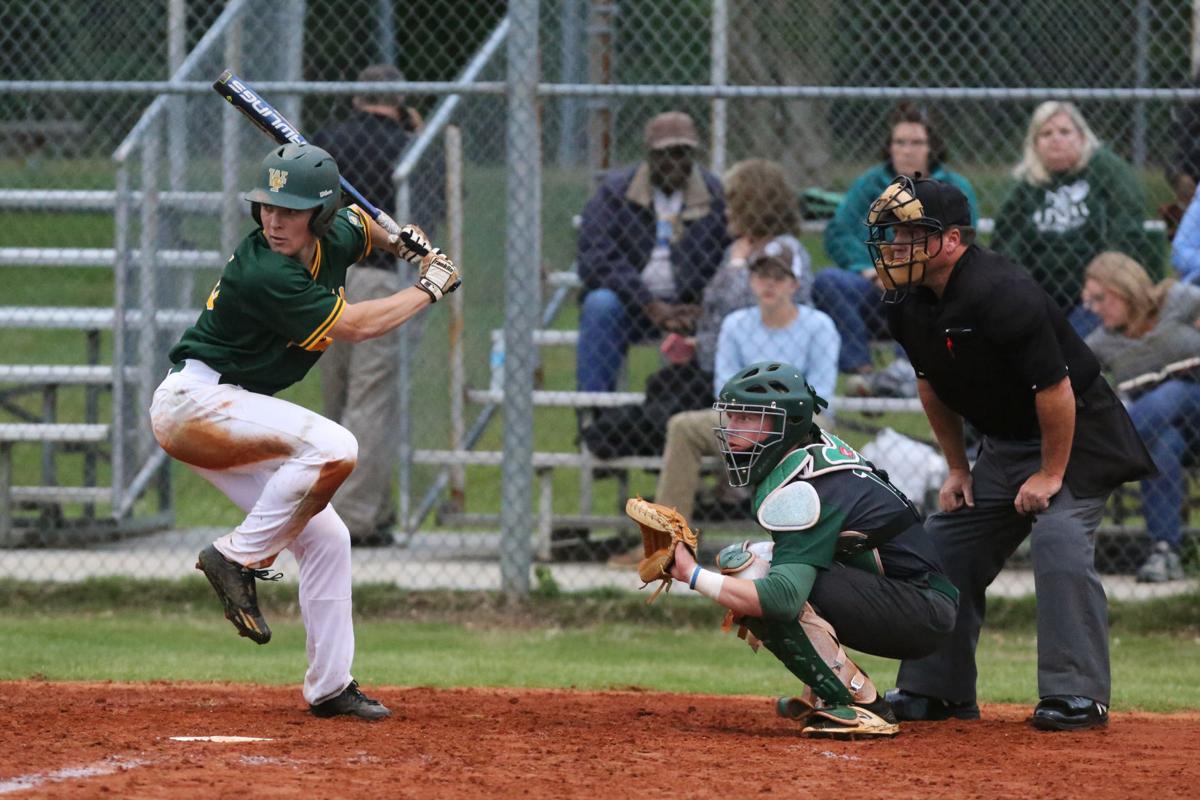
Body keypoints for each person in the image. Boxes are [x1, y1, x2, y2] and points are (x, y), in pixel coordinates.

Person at [149, 142, 460, 719]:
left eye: (290, 210)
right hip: (194, 403)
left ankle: (331, 687)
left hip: (231, 406)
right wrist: (427, 287)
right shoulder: (265, 270)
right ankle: (234, 556)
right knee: (335, 446)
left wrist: (399, 241)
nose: (274, 221)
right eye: (267, 207)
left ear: (319, 215)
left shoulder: (333, 233)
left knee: (327, 539)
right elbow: (357, 326)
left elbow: (361, 223)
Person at [867, 175, 1155, 731]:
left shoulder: (1001, 291)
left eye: (910, 233)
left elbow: (1056, 388)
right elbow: (930, 383)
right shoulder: (905, 301)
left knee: (1058, 538)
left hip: (1077, 438)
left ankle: (1076, 695)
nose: (896, 246)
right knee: (945, 545)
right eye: (892, 234)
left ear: (952, 240)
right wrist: (958, 467)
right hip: (1004, 445)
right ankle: (937, 690)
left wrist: (1050, 473)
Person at [662, 361, 958, 739]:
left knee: (756, 571)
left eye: (747, 417)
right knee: (760, 563)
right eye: (731, 415)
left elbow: (782, 599)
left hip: (921, 609)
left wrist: (691, 574)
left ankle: (862, 703)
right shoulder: (808, 451)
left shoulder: (803, 488)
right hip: (914, 597)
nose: (731, 428)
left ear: (785, 423)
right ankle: (828, 690)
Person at [581, 158, 810, 460]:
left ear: (753, 206)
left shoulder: (784, 252)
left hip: (754, 378)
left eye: (732, 204)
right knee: (662, 386)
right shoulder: (738, 249)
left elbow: (744, 310)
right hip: (714, 366)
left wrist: (736, 267)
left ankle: (611, 439)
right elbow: (719, 312)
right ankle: (610, 437)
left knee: (664, 411)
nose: (725, 212)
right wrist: (696, 344)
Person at [311, 64, 441, 546]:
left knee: (338, 398)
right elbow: (441, 203)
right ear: (400, 104)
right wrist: (421, 136)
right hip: (384, 280)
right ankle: (352, 521)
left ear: (356, 99)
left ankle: (365, 509)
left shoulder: (328, 142)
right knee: (370, 402)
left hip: (325, 279)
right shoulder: (410, 148)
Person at [650, 249, 838, 523]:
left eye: (779, 277)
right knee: (683, 427)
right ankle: (669, 537)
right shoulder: (735, 324)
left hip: (797, 421)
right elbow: (725, 388)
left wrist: (769, 410)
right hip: (742, 418)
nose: (769, 284)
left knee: (815, 430)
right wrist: (761, 409)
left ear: (795, 284)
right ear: (751, 281)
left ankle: (803, 535)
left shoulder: (819, 326)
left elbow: (819, 394)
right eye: (762, 276)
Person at [814, 102, 978, 388]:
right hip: (874, 288)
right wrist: (872, 270)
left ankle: (907, 371)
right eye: (900, 142)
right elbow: (839, 233)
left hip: (928, 292)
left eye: (916, 143)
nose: (907, 150)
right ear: (889, 147)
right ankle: (862, 375)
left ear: (932, 147)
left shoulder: (954, 187)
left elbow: (962, 242)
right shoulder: (870, 183)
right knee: (828, 281)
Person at [575, 110, 730, 393]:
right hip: (631, 306)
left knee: (734, 314)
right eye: (665, 154)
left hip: (692, 308)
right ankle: (595, 410)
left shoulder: (713, 193)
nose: (675, 162)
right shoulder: (615, 192)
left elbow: (728, 255)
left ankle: (723, 408)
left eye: (682, 153)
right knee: (600, 304)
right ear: (649, 155)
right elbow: (594, 257)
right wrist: (647, 302)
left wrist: (705, 303)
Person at [1081, 252, 1200, 582]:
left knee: (1172, 392)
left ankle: (1105, 454)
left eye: (1099, 298)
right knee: (1162, 446)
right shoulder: (1103, 342)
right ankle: (1165, 552)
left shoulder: (1177, 301)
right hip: (1166, 430)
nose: (1093, 308)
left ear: (1125, 289)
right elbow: (1068, 376)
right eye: (1089, 301)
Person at [991, 101, 1153, 336]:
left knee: (1072, 344)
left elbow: (1126, 227)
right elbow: (1006, 242)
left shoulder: (1106, 170)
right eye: (1046, 134)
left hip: (1097, 292)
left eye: (1065, 131)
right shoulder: (1025, 185)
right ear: (1035, 144)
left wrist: (1102, 280)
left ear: (1082, 137)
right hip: (1038, 293)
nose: (1056, 139)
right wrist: (1024, 289)